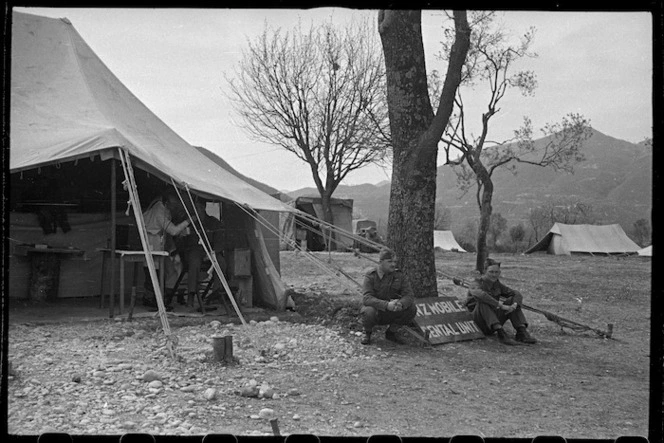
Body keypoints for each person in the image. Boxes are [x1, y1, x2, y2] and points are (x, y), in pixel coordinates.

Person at [466, 258, 537, 345]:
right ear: (484, 271)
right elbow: (481, 295)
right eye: (491, 272)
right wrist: (500, 305)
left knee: (511, 300)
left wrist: (514, 305)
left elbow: (516, 293)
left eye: (497, 272)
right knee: (483, 302)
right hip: (478, 323)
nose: (494, 275)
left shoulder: (497, 284)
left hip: (491, 322)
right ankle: (501, 334)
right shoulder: (476, 283)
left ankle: (521, 331)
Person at [141, 189, 190, 310]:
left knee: (169, 271)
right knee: (155, 272)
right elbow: (173, 230)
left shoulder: (162, 207)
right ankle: (154, 300)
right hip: (153, 243)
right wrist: (189, 221)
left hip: (160, 243)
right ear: (168, 202)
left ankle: (162, 298)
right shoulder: (159, 210)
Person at [175, 199, 227, 308]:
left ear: (203, 208)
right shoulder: (190, 222)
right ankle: (191, 294)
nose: (196, 211)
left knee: (221, 262)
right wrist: (183, 237)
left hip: (210, 250)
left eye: (197, 208)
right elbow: (181, 240)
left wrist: (213, 252)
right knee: (194, 262)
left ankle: (216, 292)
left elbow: (220, 240)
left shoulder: (213, 222)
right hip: (194, 250)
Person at [359, 248, 417, 345]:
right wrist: (386, 305)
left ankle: (391, 333)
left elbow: (409, 295)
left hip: (392, 310)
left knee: (411, 309)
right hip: (377, 310)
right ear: (380, 262)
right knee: (368, 311)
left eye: (394, 262)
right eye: (389, 262)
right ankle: (367, 333)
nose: (393, 264)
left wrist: (401, 304)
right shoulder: (371, 276)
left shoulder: (399, 276)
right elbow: (366, 298)